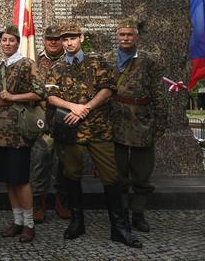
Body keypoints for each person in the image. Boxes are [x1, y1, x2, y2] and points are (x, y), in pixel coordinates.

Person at [46, 23, 141, 248]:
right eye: (64, 39)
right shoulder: (57, 67)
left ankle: (119, 228)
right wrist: (73, 107)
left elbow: (108, 89)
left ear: (81, 38)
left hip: (98, 128)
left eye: (72, 38)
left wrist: (86, 108)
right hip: (71, 130)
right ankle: (77, 222)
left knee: (111, 177)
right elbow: (50, 96)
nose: (68, 42)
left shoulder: (97, 62)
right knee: (72, 175)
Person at [104, 19, 167, 233]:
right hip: (117, 121)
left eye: (129, 35)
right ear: (117, 36)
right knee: (118, 173)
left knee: (141, 173)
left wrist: (160, 122)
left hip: (142, 121)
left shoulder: (149, 61)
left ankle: (138, 214)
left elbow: (158, 92)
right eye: (122, 35)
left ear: (136, 37)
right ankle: (121, 213)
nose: (125, 38)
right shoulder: (108, 60)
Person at [0, 25, 43, 243]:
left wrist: (13, 97)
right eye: (4, 40)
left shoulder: (27, 64)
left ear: (18, 42)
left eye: (11, 40)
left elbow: (40, 92)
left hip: (19, 131)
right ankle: (17, 221)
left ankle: (29, 224)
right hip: (0, 131)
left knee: (21, 180)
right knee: (9, 181)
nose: (7, 44)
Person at [31, 26, 71, 222]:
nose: (53, 42)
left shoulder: (70, 61)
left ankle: (62, 200)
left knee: (65, 164)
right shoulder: (35, 61)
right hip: (42, 120)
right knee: (40, 163)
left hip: (65, 120)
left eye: (57, 39)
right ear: (44, 40)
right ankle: (39, 203)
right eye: (50, 39)